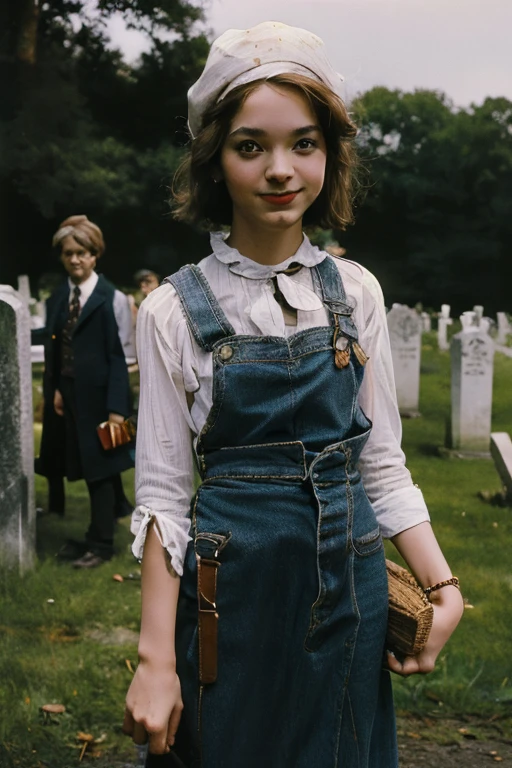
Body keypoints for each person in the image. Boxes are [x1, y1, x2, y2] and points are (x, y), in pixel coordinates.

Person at [123, 22, 464, 767]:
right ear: (215, 158)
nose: (281, 169)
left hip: (353, 586)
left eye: (303, 144)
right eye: (252, 146)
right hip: (230, 599)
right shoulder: (173, 311)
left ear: (329, 154)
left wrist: (443, 584)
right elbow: (163, 495)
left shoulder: (358, 292)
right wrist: (155, 660)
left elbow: (380, 463)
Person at [39, 214, 134, 566]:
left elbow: (121, 357)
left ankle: (102, 545)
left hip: (102, 398)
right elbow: (60, 348)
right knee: (79, 464)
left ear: (95, 255)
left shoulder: (113, 299)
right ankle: (97, 531)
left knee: (102, 470)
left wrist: (116, 410)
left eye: (82, 253)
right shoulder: (59, 298)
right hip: (71, 395)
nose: (75, 260)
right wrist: (58, 391)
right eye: (68, 254)